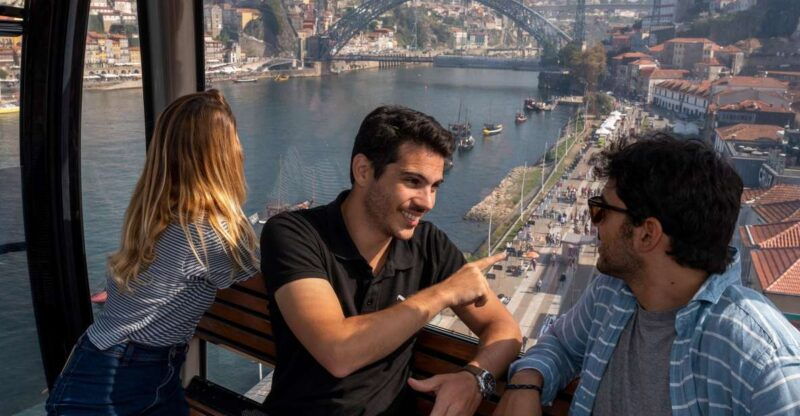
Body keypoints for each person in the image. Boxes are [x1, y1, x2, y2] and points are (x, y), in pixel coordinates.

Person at [496, 134, 800, 416]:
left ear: (647, 234)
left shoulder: (764, 365)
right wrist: (527, 381)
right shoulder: (612, 291)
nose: (594, 224)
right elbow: (561, 345)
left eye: (601, 211)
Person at [261, 105, 522, 415]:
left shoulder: (429, 245)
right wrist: (444, 292)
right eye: (413, 181)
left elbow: (505, 329)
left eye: (435, 186)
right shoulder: (295, 234)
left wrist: (475, 378)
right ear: (363, 171)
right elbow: (338, 352)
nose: (427, 202)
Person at [46, 90, 260, 415]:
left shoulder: (152, 214)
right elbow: (264, 284)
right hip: (125, 376)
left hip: (106, 362)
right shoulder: (213, 233)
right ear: (226, 156)